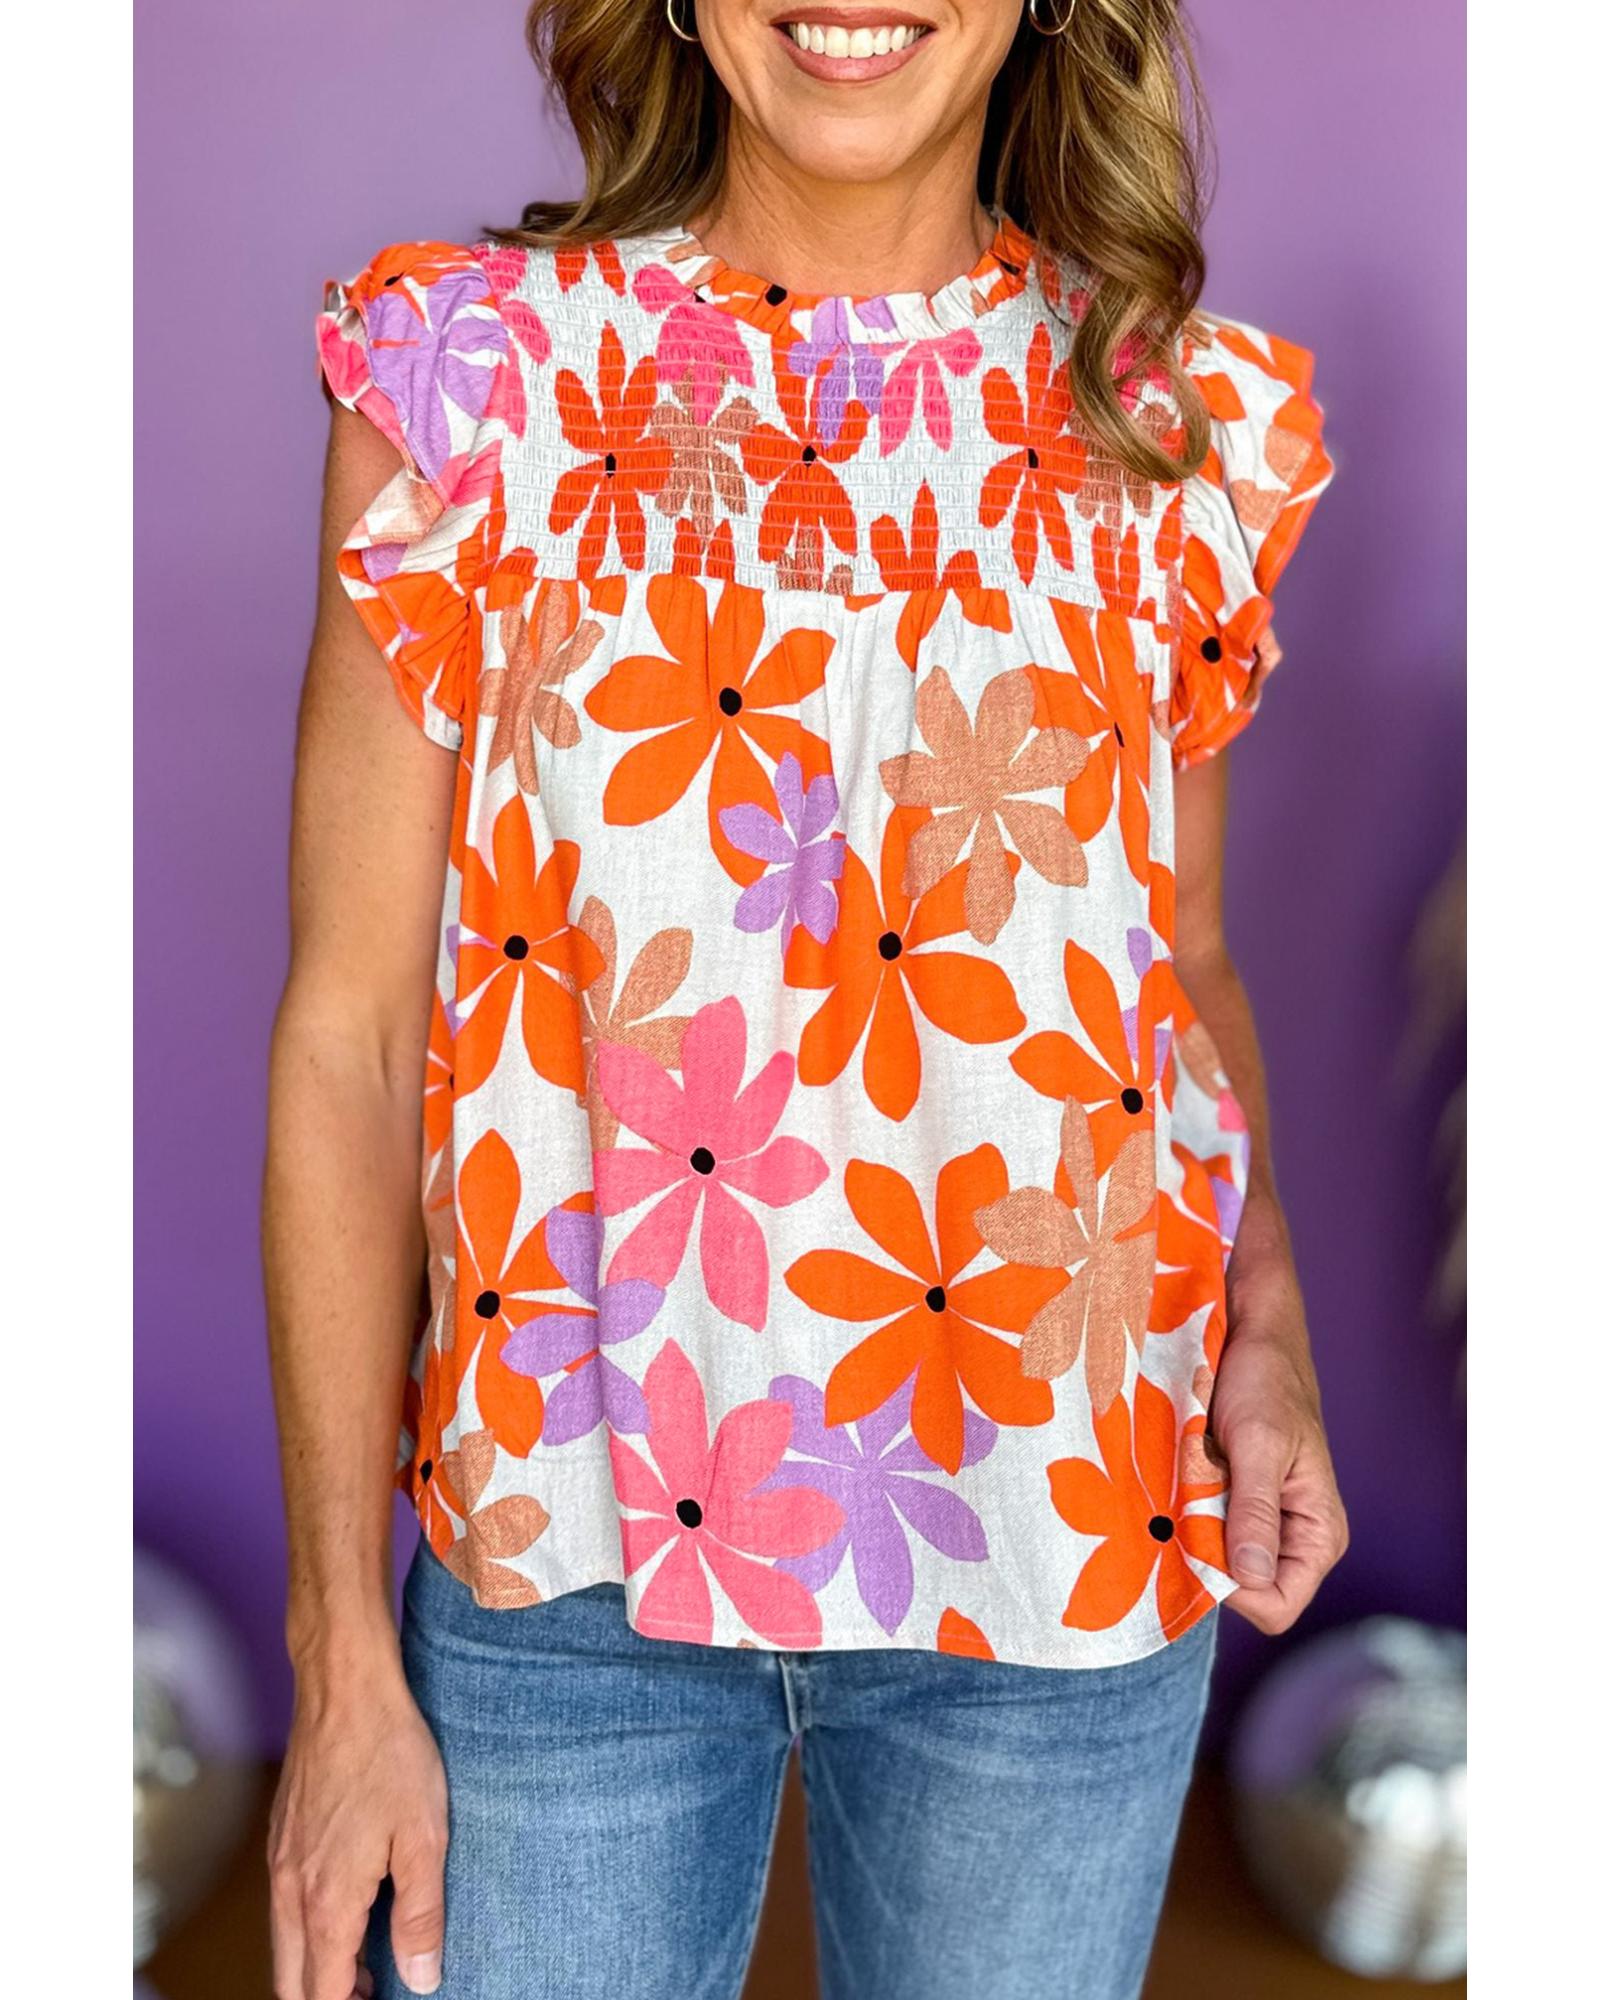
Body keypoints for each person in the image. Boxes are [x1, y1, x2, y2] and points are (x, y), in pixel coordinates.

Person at [263, 2, 1348, 1996]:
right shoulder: (471, 383)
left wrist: (1262, 1332)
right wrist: (338, 1654)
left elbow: (1178, 962)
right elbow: (346, 1030)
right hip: (563, 1554)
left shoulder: (1171, 416)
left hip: (1062, 1528)